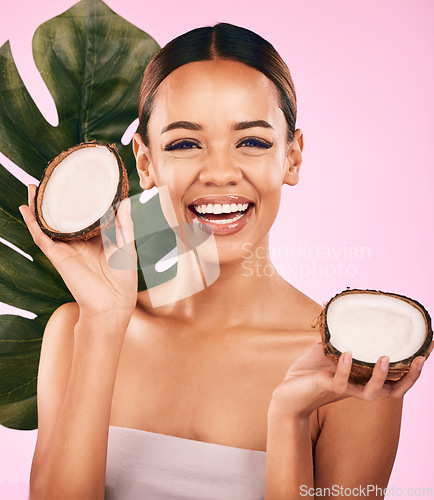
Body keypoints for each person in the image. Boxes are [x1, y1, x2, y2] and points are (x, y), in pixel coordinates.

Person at [19, 23, 425, 500]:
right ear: (145, 165)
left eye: (252, 141)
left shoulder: (348, 368)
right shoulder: (76, 331)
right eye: (184, 144)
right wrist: (104, 323)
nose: (219, 173)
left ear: (292, 157)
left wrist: (288, 419)